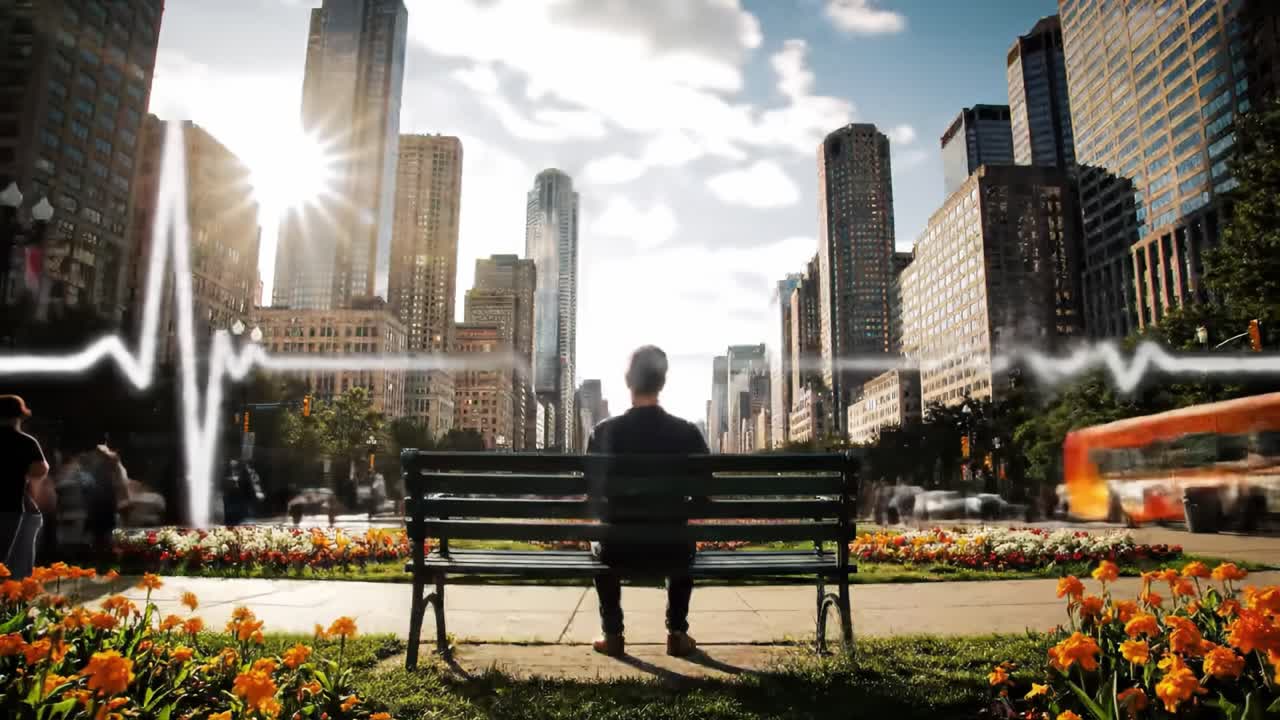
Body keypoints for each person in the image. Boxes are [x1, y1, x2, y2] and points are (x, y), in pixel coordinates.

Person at [585, 345, 709, 658]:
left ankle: (612, 633)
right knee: (685, 543)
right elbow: (705, 495)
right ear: (662, 381)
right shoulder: (687, 433)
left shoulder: (603, 433)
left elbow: (592, 496)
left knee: (599, 544)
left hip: (618, 548)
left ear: (628, 382)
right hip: (673, 547)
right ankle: (677, 633)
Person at [0, 395, 55, 578]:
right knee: (4, 557)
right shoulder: (26, 442)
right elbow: (40, 469)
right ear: (20, 416)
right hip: (9, 504)